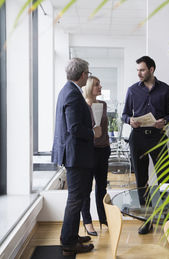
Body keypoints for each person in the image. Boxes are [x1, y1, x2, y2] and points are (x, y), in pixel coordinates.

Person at [51, 58, 99, 256]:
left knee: (77, 198)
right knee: (75, 199)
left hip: (76, 155)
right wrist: (93, 133)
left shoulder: (68, 90)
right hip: (76, 156)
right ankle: (69, 241)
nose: (88, 76)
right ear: (82, 75)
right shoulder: (72, 94)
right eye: (87, 73)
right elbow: (74, 128)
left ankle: (71, 235)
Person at [122, 55, 169, 234]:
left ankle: (167, 218)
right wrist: (130, 120)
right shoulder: (132, 90)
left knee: (166, 178)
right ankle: (147, 220)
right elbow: (124, 115)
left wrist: (164, 121)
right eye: (137, 70)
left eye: (142, 70)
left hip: (158, 137)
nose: (139, 73)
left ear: (151, 70)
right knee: (141, 180)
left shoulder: (165, 89)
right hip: (137, 138)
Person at [81, 76, 111, 236]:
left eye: (100, 84)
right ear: (89, 87)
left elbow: (104, 129)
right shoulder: (83, 106)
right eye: (97, 85)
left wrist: (106, 144)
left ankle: (104, 219)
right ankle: (87, 222)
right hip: (89, 152)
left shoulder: (103, 105)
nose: (100, 87)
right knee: (86, 189)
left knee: (102, 187)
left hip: (103, 150)